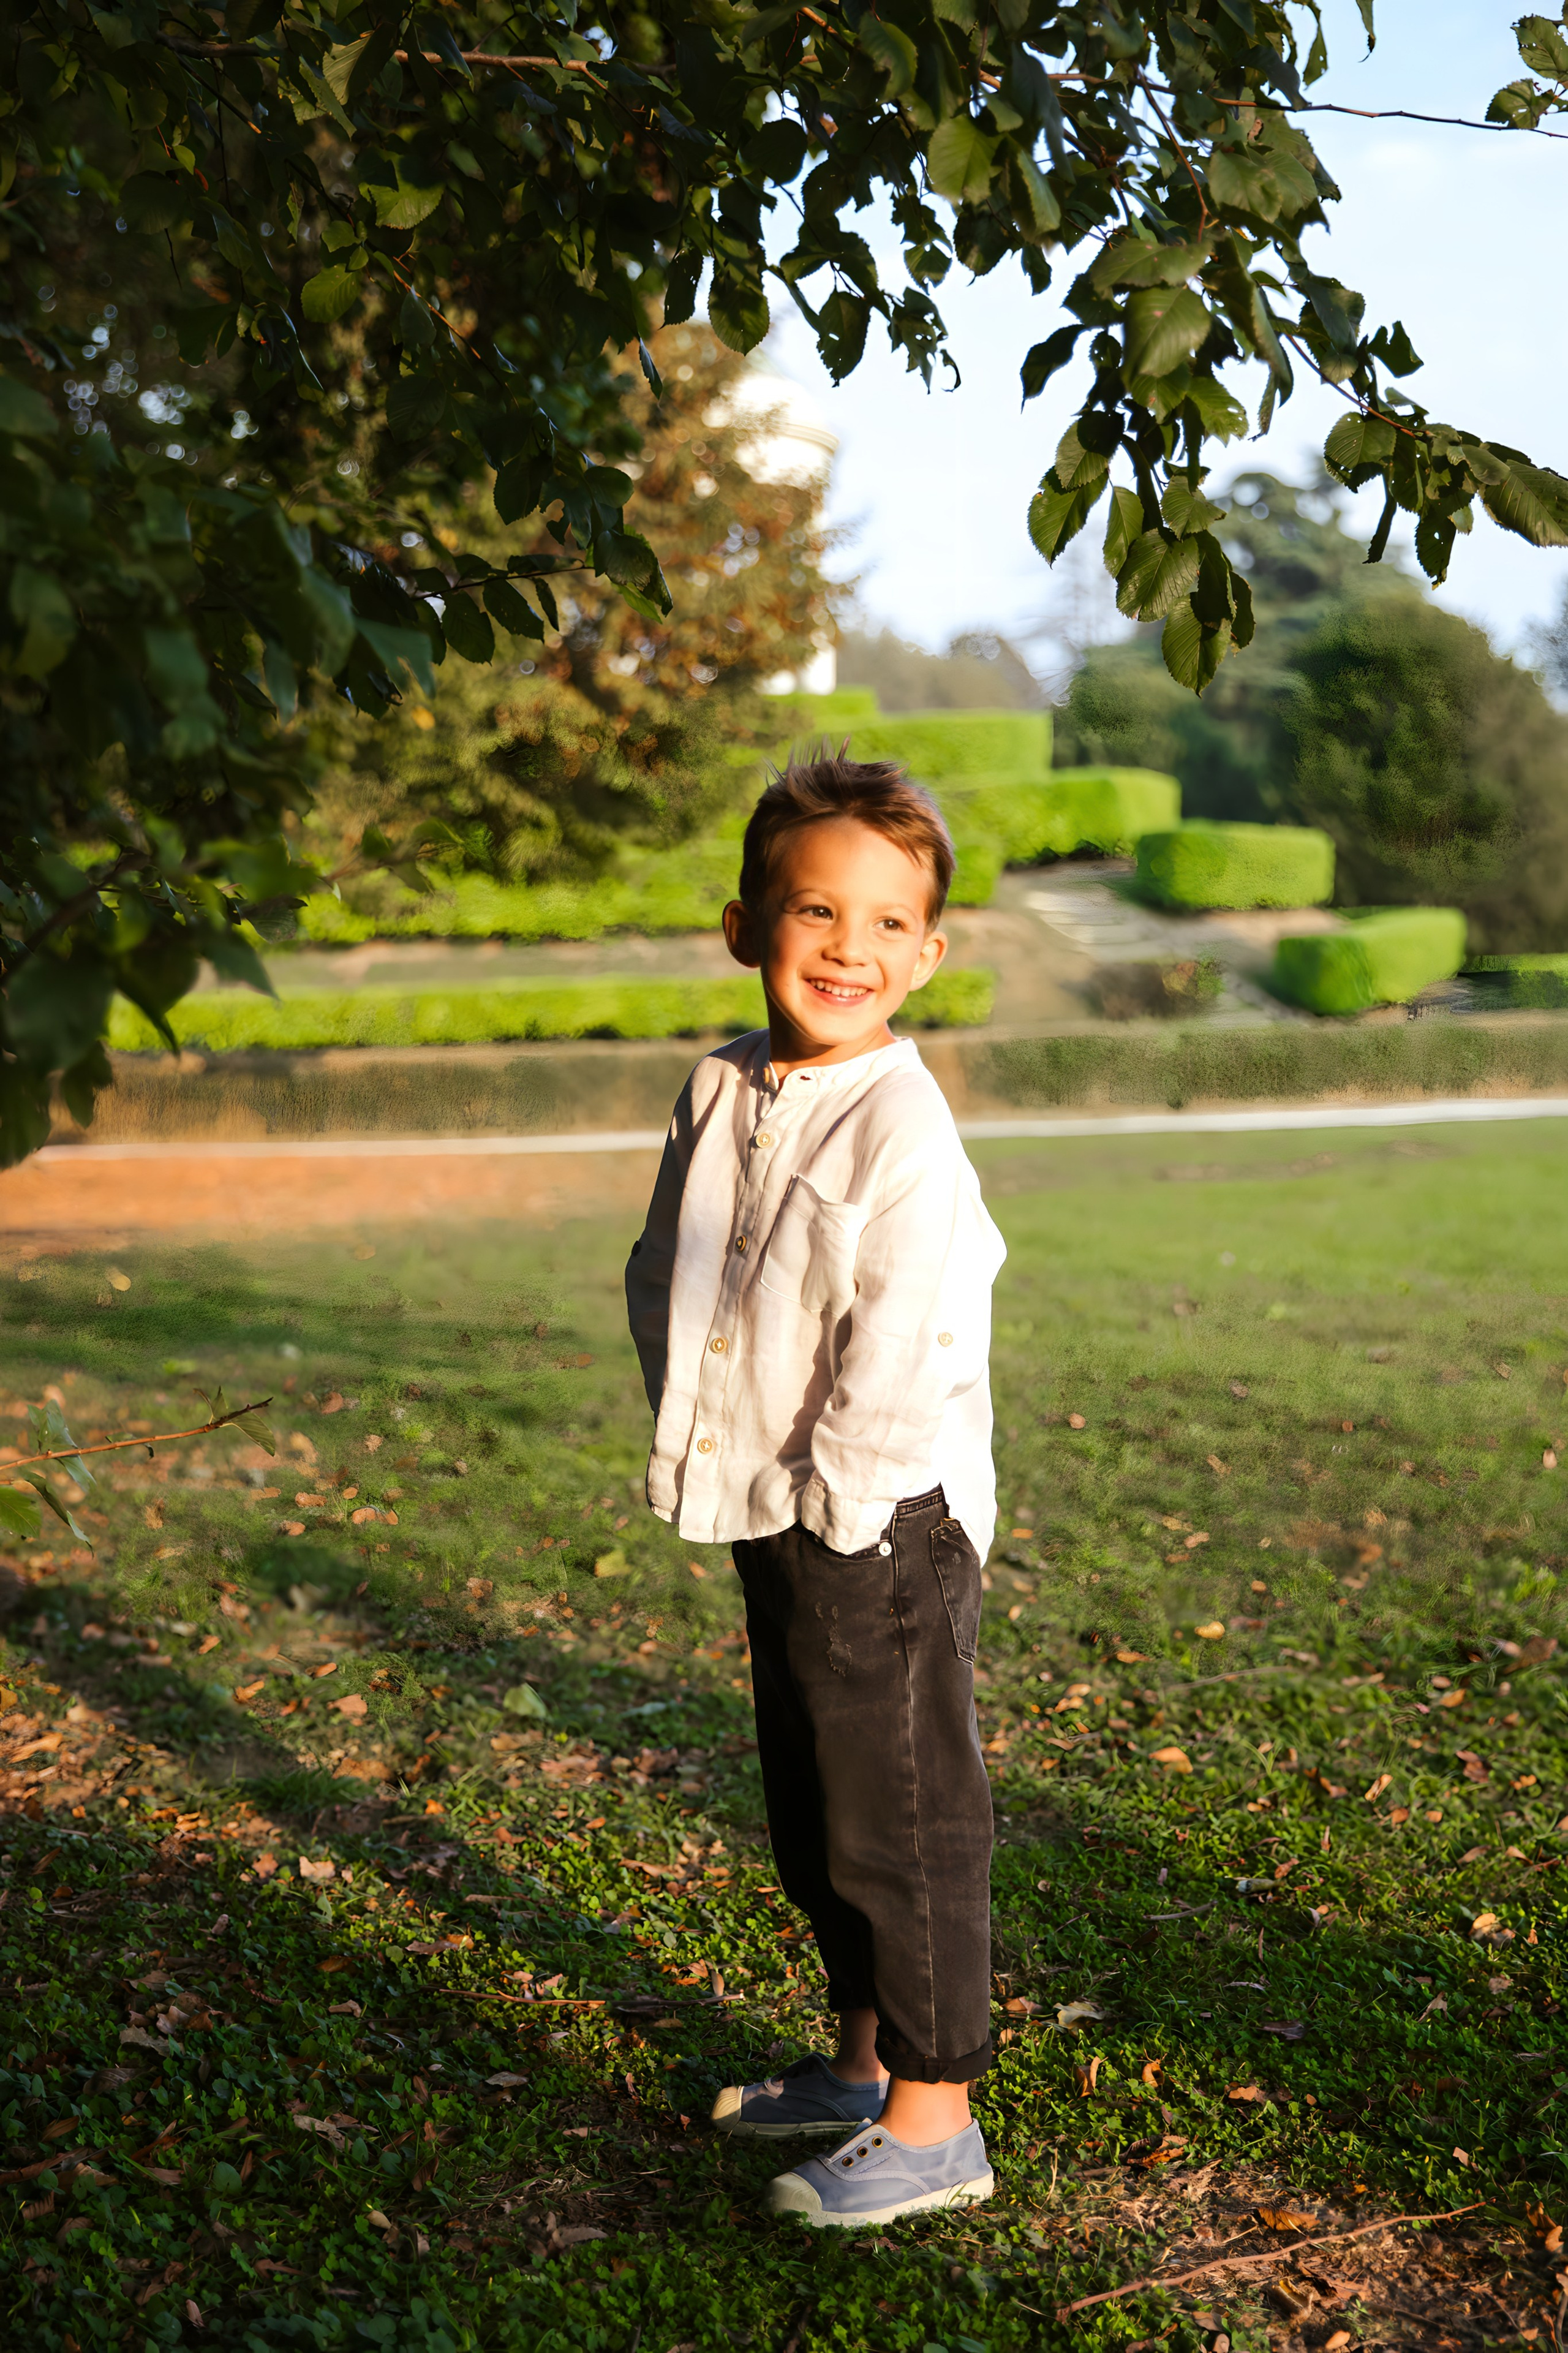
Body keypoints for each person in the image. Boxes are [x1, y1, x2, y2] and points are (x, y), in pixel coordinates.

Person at [624, 752, 1007, 2229]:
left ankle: (935, 2119)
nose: (849, 946)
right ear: (745, 926)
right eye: (814, 910)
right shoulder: (720, 1087)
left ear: (927, 950)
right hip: (771, 1502)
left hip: (878, 1518)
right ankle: (859, 2068)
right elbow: (671, 1270)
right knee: (816, 1800)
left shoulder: (901, 1128)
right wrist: (702, 1434)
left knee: (902, 1814)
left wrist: (843, 1516)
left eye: (886, 921)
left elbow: (906, 1339)